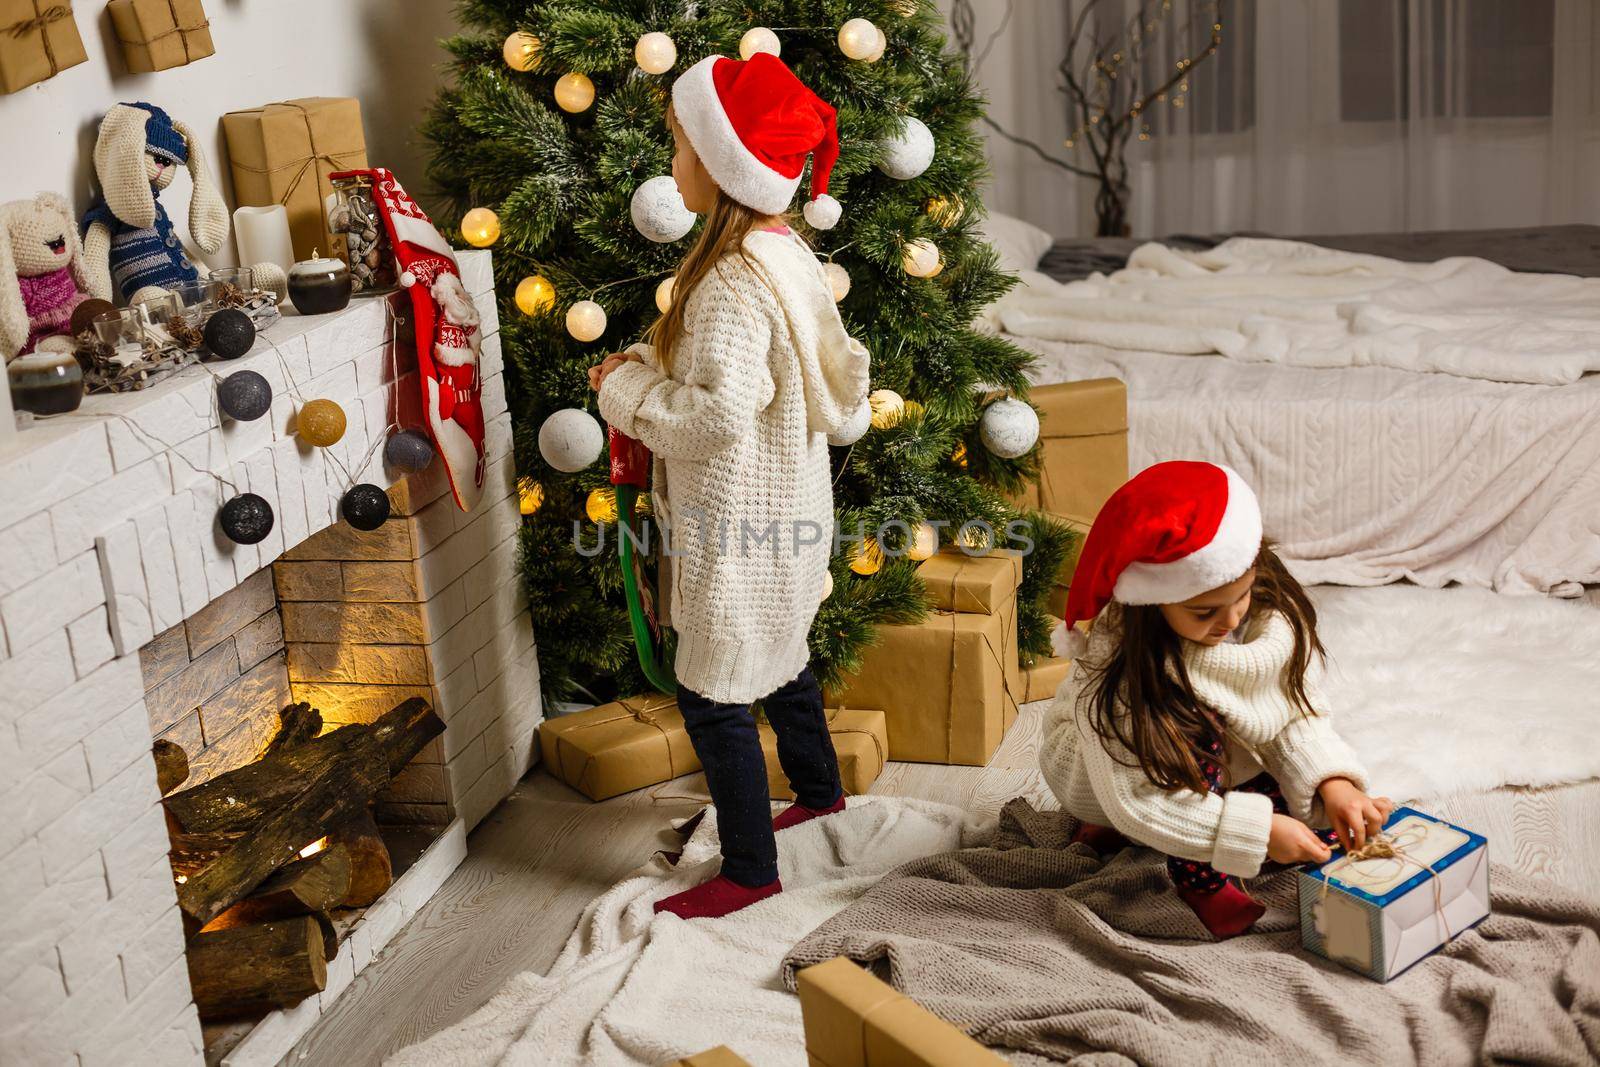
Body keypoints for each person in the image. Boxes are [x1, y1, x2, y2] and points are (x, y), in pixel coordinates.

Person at [590, 52, 870, 920]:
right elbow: (752, 376)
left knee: (712, 688)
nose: (671, 164)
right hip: (791, 509)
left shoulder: (725, 284)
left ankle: (750, 869)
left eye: (678, 146)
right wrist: (652, 357)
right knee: (783, 654)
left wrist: (622, 391)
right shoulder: (781, 253)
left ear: (717, 163)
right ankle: (820, 792)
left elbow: (715, 416)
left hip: (735, 525)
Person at [1039, 460, 1394, 937]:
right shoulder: (1127, 671)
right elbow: (1138, 800)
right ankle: (1197, 880)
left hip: (1188, 760)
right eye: (1204, 612)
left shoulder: (1267, 618)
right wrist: (1258, 834)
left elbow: (1289, 712)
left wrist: (1333, 782)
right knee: (1197, 732)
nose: (1229, 621)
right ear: (1152, 605)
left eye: (1241, 597)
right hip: (1103, 771)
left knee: (1316, 825)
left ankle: (1183, 827)